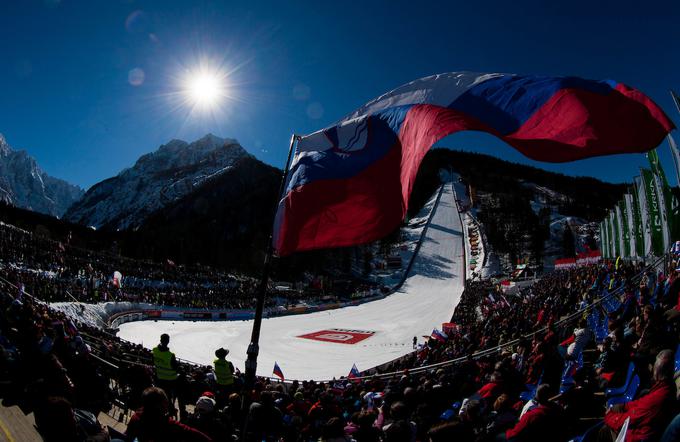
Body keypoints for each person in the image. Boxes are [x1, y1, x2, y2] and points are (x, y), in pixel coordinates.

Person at [601, 349, 677, 442]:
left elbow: (630, 419)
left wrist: (609, 416)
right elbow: (642, 402)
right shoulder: (666, 387)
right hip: (641, 428)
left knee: (604, 431)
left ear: (656, 372)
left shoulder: (658, 397)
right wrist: (623, 406)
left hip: (636, 437)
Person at [125, 387, 211, 442]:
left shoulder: (136, 417)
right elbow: (191, 433)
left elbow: (128, 436)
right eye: (166, 403)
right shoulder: (167, 424)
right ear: (161, 406)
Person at [152, 333, 178, 406]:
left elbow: (152, 361)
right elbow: (175, 368)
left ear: (160, 340)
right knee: (167, 397)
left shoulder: (154, 350)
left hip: (158, 377)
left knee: (159, 394)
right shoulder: (170, 355)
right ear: (168, 341)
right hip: (170, 380)